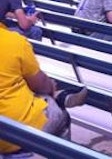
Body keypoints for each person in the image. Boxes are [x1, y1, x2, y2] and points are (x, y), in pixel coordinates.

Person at [0, 27, 88, 155]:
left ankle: (60, 97)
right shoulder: (13, 41)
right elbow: (41, 85)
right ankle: (60, 98)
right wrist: (51, 86)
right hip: (17, 131)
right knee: (59, 115)